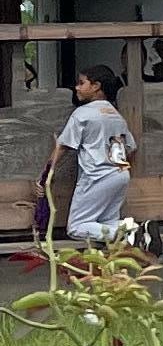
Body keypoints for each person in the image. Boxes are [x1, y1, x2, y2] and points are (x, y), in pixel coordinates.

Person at [49, 65, 136, 246]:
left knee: (77, 226)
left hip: (96, 175)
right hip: (120, 174)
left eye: (82, 83)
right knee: (106, 225)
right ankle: (131, 231)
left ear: (96, 86)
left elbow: (63, 146)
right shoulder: (115, 114)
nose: (77, 87)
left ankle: (134, 233)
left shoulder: (83, 113)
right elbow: (131, 148)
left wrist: (45, 175)